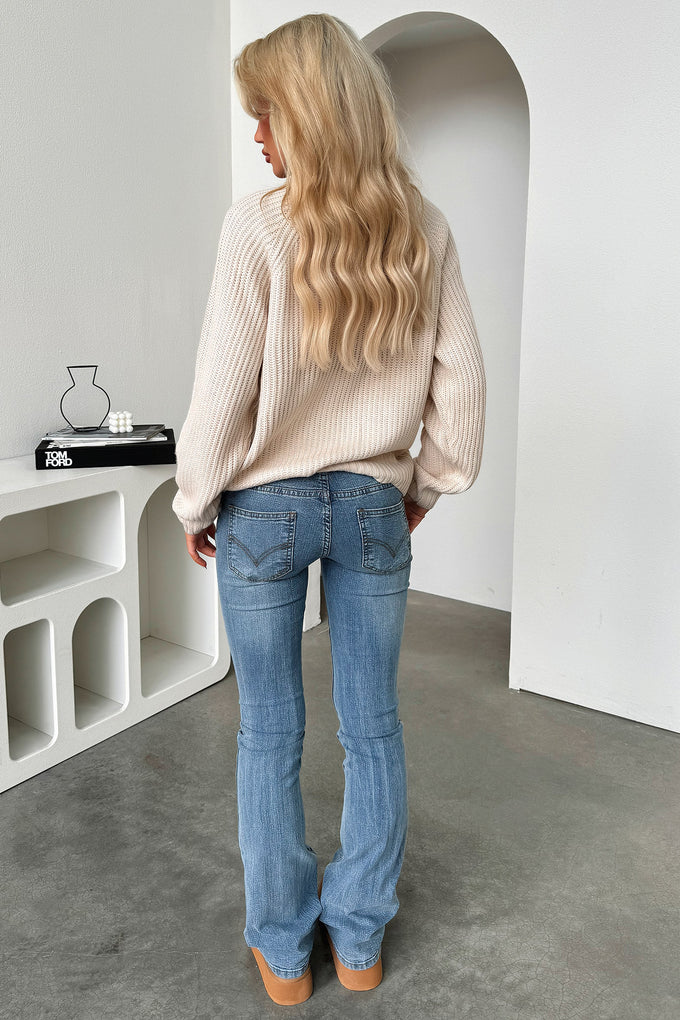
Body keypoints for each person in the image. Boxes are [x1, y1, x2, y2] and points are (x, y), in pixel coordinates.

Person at [171, 12, 486, 1007]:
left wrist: (193, 500)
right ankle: (357, 943)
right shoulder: (423, 226)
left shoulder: (257, 226)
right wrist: (422, 488)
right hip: (370, 507)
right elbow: (461, 396)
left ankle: (282, 954)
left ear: (304, 116)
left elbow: (220, 394)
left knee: (268, 733)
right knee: (372, 727)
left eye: (265, 112)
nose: (257, 134)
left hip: (262, 514)